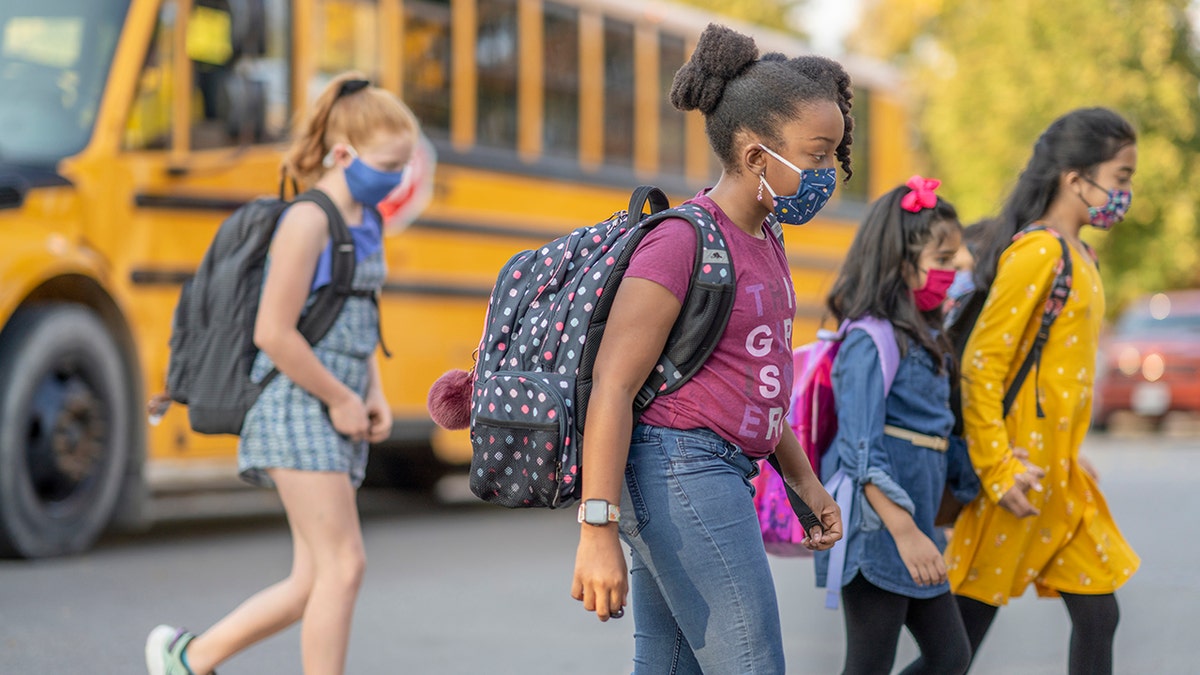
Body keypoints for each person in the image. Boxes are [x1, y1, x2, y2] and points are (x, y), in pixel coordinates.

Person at [570, 23, 849, 674]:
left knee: (670, 667)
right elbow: (611, 386)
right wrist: (596, 529)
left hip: (717, 468)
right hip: (678, 470)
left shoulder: (768, 239)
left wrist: (804, 480)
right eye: (817, 155)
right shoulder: (681, 242)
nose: (828, 172)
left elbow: (763, 384)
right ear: (756, 157)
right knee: (752, 664)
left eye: (834, 154)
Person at [145, 72, 419, 675]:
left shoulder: (364, 223)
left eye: (405, 165)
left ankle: (188, 657)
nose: (398, 177)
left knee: (312, 578)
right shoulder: (307, 221)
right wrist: (340, 397)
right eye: (389, 164)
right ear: (343, 154)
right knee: (344, 566)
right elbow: (274, 331)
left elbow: (352, 317)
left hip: (332, 403)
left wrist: (369, 391)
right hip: (294, 404)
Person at [945, 107, 1140, 675]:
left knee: (1099, 616)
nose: (1126, 191)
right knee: (954, 650)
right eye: (1121, 177)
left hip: (1060, 480)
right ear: (1075, 178)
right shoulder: (1039, 253)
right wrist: (998, 469)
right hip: (1018, 481)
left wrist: (1072, 453)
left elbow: (1056, 378)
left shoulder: (1082, 255)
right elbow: (982, 365)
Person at [813, 177, 972, 675]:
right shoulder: (869, 340)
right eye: (943, 261)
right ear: (904, 267)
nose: (958, 269)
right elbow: (862, 451)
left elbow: (940, 432)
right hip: (878, 530)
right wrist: (906, 532)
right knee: (872, 664)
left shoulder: (926, 337)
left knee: (950, 657)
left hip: (913, 529)